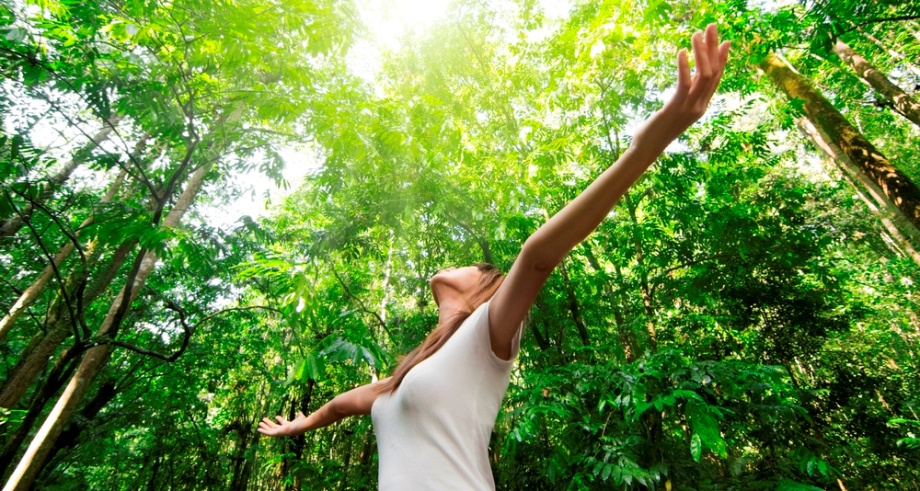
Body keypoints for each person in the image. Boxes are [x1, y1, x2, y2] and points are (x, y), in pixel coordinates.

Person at [259, 24, 730, 489]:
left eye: (473, 266)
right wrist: (297, 426)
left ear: (484, 289)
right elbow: (340, 405)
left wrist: (647, 144)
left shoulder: (488, 332)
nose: (456, 264)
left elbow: (538, 256)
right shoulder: (399, 383)